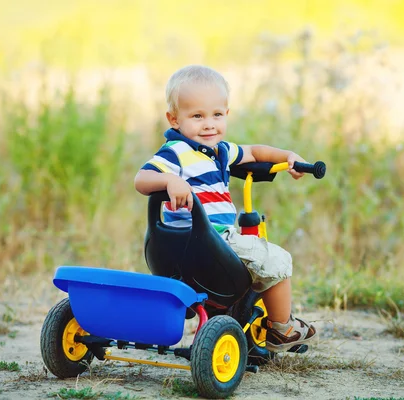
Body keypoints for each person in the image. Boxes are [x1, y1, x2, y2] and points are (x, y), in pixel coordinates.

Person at [134, 65, 316, 352]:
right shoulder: (176, 153)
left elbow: (255, 152)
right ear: (174, 119)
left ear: (226, 114)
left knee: (254, 257)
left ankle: (227, 322)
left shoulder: (220, 151)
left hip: (177, 246)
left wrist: (289, 157)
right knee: (276, 260)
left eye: (217, 115)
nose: (209, 125)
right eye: (197, 116)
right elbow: (142, 179)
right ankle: (282, 329)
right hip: (210, 240)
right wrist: (170, 179)